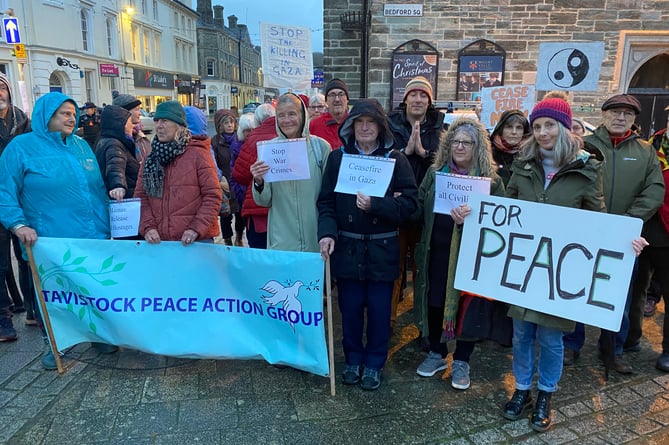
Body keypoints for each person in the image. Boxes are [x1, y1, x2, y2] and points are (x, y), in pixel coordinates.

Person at [501, 97, 607, 432]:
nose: (543, 132)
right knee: (520, 335)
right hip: (525, 267)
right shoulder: (523, 164)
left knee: (550, 338)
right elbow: (507, 208)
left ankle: (545, 393)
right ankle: (522, 390)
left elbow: (598, 219)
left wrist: (623, 241)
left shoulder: (585, 169)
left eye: (550, 125)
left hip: (558, 272)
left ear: (563, 127)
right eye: (538, 126)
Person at [0, 92, 115, 369]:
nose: (71, 117)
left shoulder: (81, 145)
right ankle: (54, 342)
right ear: (46, 117)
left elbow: (96, 189)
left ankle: (96, 334)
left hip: (89, 236)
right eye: (64, 113)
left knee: (90, 288)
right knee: (53, 295)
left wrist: (110, 222)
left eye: (72, 113)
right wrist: (18, 224)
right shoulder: (21, 147)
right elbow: (5, 191)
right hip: (48, 240)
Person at [317, 99, 418, 390]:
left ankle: (374, 362)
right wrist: (327, 233)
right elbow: (326, 203)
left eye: (370, 122)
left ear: (380, 127)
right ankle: (352, 358)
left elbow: (411, 205)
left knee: (378, 311)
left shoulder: (395, 159)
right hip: (347, 249)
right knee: (348, 310)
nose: (364, 127)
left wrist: (378, 205)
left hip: (381, 249)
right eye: (359, 121)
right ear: (351, 126)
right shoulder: (337, 159)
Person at [413, 117, 508, 391]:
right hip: (437, 250)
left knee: (468, 306)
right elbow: (419, 204)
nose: (460, 147)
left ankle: (463, 359)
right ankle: (437, 352)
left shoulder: (491, 181)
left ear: (478, 146)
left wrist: (474, 216)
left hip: (471, 254)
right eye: (455, 141)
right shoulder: (435, 174)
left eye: (467, 142)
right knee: (434, 300)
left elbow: (499, 219)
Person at [583, 94, 664, 374]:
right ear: (604, 115)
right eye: (615, 112)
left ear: (633, 120)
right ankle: (571, 344)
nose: (620, 118)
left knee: (620, 296)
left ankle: (614, 350)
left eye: (627, 114)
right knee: (576, 288)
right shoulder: (585, 146)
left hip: (624, 238)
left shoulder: (645, 151)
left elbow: (654, 189)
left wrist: (631, 220)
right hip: (586, 233)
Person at [387, 76, 445, 332]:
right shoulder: (390, 125)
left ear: (430, 101)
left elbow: (448, 161)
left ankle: (424, 326)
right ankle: (387, 324)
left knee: (424, 269)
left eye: (424, 95)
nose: (418, 99)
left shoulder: (441, 127)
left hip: (428, 210)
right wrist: (404, 152)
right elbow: (383, 157)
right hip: (398, 207)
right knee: (393, 268)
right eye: (414, 94)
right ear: (405, 99)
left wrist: (424, 153)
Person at [250, 93, 330, 252]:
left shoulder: (320, 148)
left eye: (292, 114)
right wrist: (259, 182)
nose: (286, 120)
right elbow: (264, 201)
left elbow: (329, 199)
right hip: (282, 243)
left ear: (303, 115)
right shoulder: (268, 150)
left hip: (315, 240)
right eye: (281, 115)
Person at [134, 101, 222, 244]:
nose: (159, 126)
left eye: (165, 121)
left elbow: (212, 196)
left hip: (196, 242)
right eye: (156, 121)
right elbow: (141, 197)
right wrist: (148, 227)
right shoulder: (151, 158)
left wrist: (196, 229)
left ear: (179, 126)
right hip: (161, 243)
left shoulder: (198, 154)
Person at [626, 104, 669, 372]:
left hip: (668, 233)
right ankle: (630, 337)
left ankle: (668, 350)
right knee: (633, 289)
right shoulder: (650, 145)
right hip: (640, 230)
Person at [0, 73, 31, 341]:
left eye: (2, 87)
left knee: (25, 257)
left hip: (20, 196)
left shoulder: (22, 120)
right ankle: (4, 319)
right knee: (0, 262)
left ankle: (31, 308)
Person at [232, 104, 277, 249]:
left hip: (258, 211)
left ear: (256, 120)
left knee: (260, 257)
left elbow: (240, 175)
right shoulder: (288, 134)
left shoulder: (253, 138)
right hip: (284, 209)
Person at [95, 105, 139, 203]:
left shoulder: (105, 140)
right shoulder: (114, 144)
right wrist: (118, 185)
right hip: (124, 199)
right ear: (121, 124)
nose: (132, 126)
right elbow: (115, 164)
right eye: (129, 122)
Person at [211, 109, 241, 246]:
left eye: (232, 122)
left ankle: (239, 237)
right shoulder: (215, 141)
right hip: (224, 182)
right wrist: (219, 179)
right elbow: (213, 162)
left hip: (238, 182)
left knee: (240, 214)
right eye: (226, 123)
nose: (230, 125)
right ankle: (227, 241)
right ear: (219, 125)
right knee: (225, 214)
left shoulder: (239, 138)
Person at [229, 113, 256, 247]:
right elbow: (233, 170)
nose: (248, 134)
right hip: (241, 191)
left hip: (254, 190)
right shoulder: (236, 147)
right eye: (246, 130)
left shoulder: (258, 144)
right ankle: (238, 237)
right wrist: (237, 190)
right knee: (239, 217)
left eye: (251, 130)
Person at [490, 109, 530, 186]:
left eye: (519, 128)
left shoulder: (531, 155)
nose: (514, 132)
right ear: (501, 129)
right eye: (509, 127)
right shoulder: (488, 153)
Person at [309, 78, 350, 150]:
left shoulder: (354, 123)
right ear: (326, 101)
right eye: (332, 95)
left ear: (347, 99)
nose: (337, 99)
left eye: (341, 94)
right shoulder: (315, 124)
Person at [112, 92, 152, 164]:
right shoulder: (119, 139)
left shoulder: (138, 132)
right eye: (136, 109)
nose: (140, 113)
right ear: (125, 113)